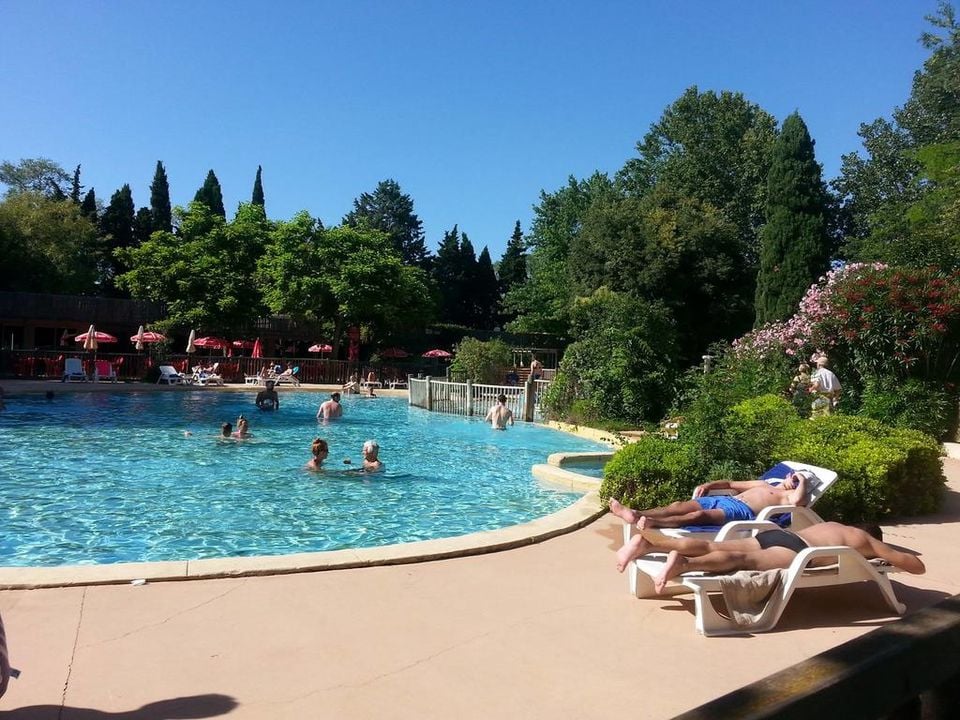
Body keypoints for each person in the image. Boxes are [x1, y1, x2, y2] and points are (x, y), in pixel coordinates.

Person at [615, 522, 926, 591]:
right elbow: (917, 567)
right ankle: (685, 564)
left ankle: (649, 545)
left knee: (715, 546)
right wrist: (883, 552)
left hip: (777, 535)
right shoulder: (864, 539)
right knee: (742, 563)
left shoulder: (833, 524)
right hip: (796, 551)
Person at [608, 471, 810, 529]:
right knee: (678, 506)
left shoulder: (789, 496)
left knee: (698, 516)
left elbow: (798, 502)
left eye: (796, 481)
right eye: (793, 477)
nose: (792, 481)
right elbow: (730, 484)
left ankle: (654, 522)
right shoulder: (763, 483)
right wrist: (710, 485)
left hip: (741, 512)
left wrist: (802, 480)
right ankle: (636, 513)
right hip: (724, 499)